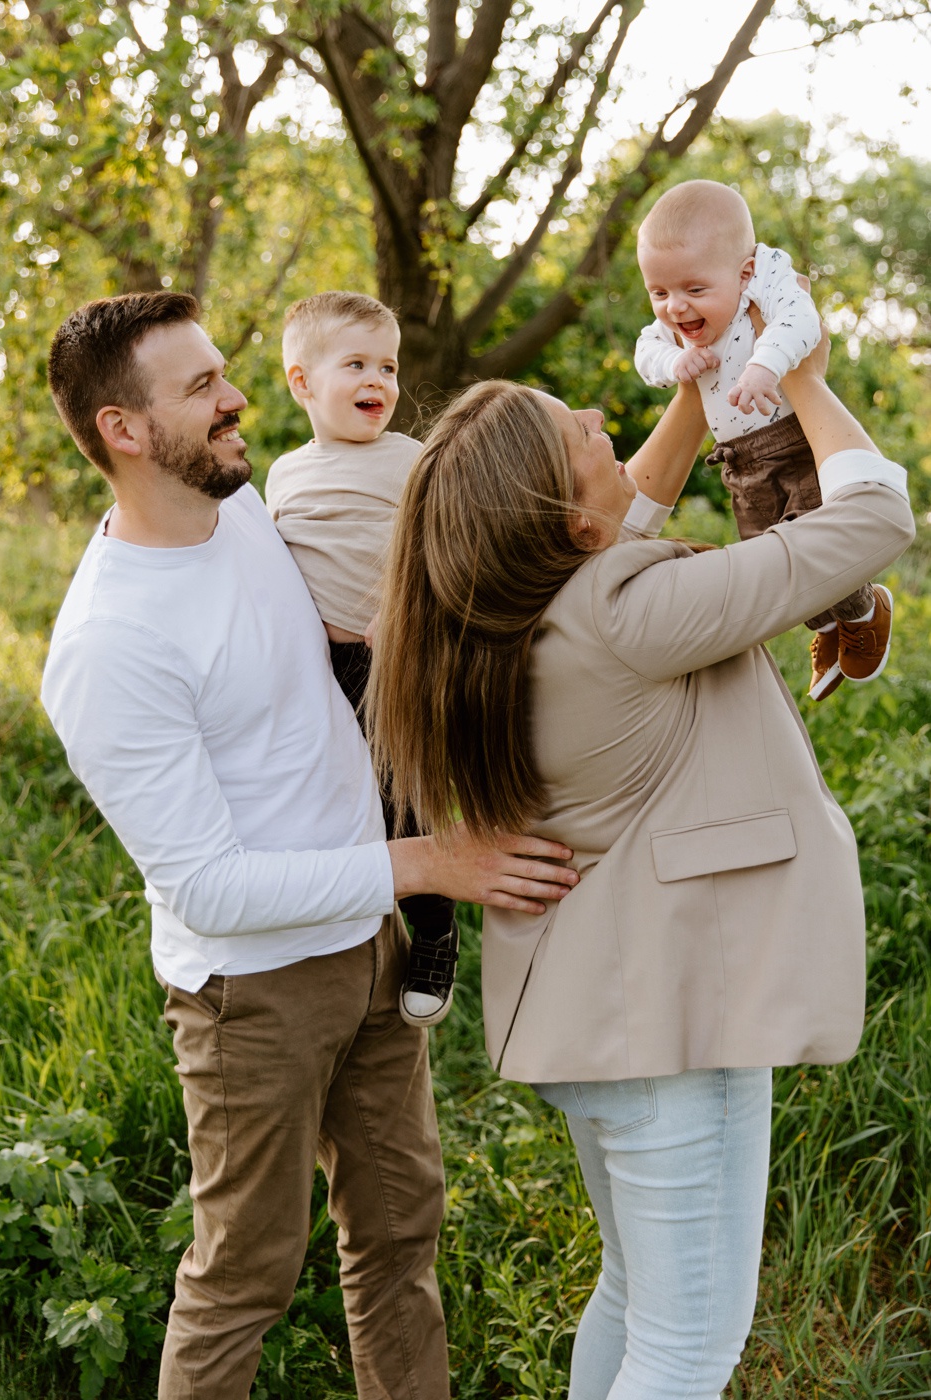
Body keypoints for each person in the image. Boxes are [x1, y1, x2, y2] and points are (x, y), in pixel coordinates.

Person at [39, 291, 579, 1400]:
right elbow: (209, 885)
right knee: (244, 1276)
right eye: (201, 388)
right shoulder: (108, 644)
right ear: (123, 431)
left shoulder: (241, 508)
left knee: (399, 1240)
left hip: (371, 945)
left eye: (224, 371)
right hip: (252, 997)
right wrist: (430, 865)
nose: (237, 397)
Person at [366, 331, 914, 1397]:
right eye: (577, 429)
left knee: (633, 1297)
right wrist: (797, 363)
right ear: (566, 519)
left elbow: (621, 513)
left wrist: (709, 389)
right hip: (674, 1021)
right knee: (688, 1344)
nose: (601, 421)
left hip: (598, 1011)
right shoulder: (628, 611)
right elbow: (876, 517)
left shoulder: (495, 617)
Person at [266, 290, 459, 1028]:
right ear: (302, 382)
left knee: (400, 805)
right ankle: (337, 944)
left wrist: (409, 606)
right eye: (356, 364)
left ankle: (435, 935)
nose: (379, 380)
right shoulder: (282, 475)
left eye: (388, 365)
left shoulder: (411, 460)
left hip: (394, 661)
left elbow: (445, 547)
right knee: (327, 806)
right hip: (315, 672)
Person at [635, 179, 893, 702]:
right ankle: (823, 628)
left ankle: (864, 609)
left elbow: (803, 322)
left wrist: (764, 367)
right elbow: (646, 349)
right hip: (740, 459)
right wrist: (674, 363)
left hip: (797, 440)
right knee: (770, 552)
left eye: (693, 290)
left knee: (817, 541)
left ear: (743, 272)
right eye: (659, 293)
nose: (675, 309)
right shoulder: (678, 326)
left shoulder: (767, 279)